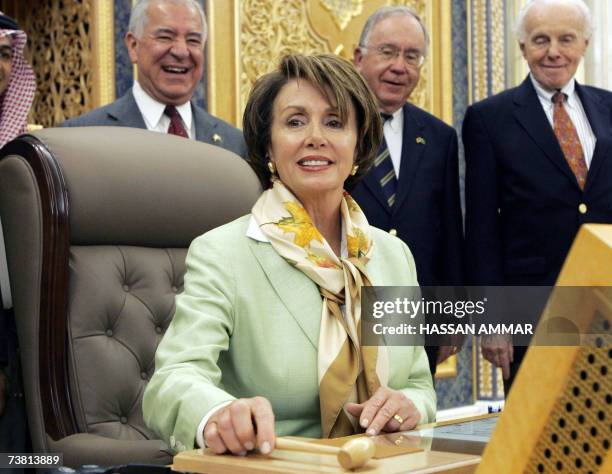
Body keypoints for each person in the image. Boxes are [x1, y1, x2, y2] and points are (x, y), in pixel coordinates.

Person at [143, 54, 435, 456]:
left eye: (334, 122)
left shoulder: (392, 256)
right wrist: (219, 413)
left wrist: (410, 406)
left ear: (359, 142)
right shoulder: (223, 254)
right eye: (295, 122)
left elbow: (419, 386)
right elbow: (172, 379)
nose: (316, 137)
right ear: (268, 145)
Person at [463, 0, 612, 393]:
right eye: (541, 40)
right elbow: (481, 229)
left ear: (585, 44)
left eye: (566, 39)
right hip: (531, 309)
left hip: (606, 299)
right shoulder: (488, 118)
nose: (554, 51)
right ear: (523, 47)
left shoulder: (610, 108)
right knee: (538, 431)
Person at [351, 6, 464, 376]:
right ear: (359, 57)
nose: (399, 66)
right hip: (348, 311)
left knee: (412, 426)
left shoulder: (439, 137)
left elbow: (448, 232)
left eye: (411, 56)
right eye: (387, 52)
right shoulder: (332, 128)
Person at [61, 0, 245, 158]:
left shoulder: (236, 144)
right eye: (165, 37)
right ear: (133, 46)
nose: (181, 51)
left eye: (193, 40)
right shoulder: (81, 137)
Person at [0, 11, 35, 459]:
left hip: (15, 327)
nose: (0, 65)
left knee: (20, 454)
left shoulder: (22, 145)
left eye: (6, 54)